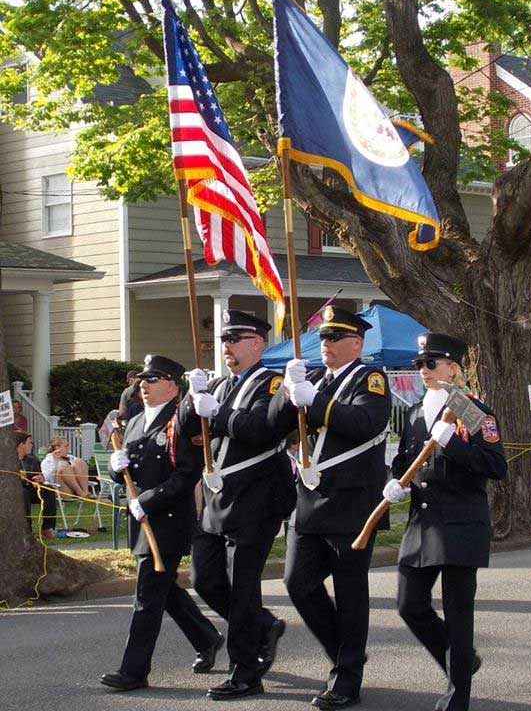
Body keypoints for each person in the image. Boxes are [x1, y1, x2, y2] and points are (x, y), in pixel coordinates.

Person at [268, 305, 392, 709]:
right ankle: (345, 651)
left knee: (350, 592)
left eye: (334, 338)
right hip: (310, 500)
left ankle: (346, 677)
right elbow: (277, 426)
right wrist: (289, 393)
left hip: (351, 500)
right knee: (297, 583)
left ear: (356, 343)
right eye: (322, 338)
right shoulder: (315, 378)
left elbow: (363, 424)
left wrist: (316, 402)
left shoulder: (370, 379)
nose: (325, 344)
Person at [384, 333, 507, 711]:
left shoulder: (469, 409)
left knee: (457, 614)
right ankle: (462, 661)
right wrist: (393, 482)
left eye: (431, 363)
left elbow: (495, 466)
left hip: (460, 523)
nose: (424, 370)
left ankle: (458, 695)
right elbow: (406, 461)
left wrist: (453, 444)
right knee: (410, 605)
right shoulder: (418, 411)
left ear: (453, 367)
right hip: (423, 524)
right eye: (420, 364)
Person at [185, 310, 296, 700]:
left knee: (243, 587)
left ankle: (245, 672)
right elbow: (188, 430)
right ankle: (263, 627)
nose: (226, 347)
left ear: (257, 344)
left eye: (234, 339)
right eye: (224, 340)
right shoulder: (218, 384)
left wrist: (218, 412)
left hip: (257, 496)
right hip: (217, 497)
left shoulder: (274, 383)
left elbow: (264, 430)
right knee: (206, 580)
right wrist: (192, 399)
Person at [101, 354, 222, 692]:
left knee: (147, 597)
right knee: (165, 590)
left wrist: (148, 501)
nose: (143, 385)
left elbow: (187, 474)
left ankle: (134, 670)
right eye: (142, 380)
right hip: (141, 522)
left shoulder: (181, 420)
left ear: (171, 383)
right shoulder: (137, 421)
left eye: (151, 379)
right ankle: (207, 638)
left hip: (166, 522)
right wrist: (114, 465)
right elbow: (126, 471)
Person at [16, 431, 57, 540]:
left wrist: (40, 478)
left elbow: (39, 475)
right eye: (29, 443)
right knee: (23, 494)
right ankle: (27, 530)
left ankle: (48, 528)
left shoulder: (32, 459)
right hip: (17, 491)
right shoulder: (9, 460)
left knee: (49, 490)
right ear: (21, 444)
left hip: (31, 488)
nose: (31, 445)